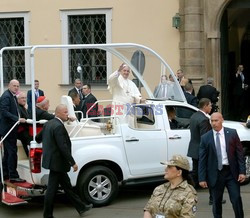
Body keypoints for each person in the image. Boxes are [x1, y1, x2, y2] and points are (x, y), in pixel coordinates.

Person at [35, 104, 93, 218]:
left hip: (54, 162)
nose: (68, 114)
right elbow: (63, 147)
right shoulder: (58, 126)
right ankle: (47, 215)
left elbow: (38, 138)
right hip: (58, 163)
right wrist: (73, 163)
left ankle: (81, 207)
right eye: (65, 112)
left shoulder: (48, 124)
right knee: (52, 190)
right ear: (58, 113)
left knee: (67, 187)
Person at [199, 112, 246, 218]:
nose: (214, 123)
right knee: (216, 201)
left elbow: (239, 154)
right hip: (215, 174)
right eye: (212, 121)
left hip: (231, 172)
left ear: (222, 120)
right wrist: (202, 178)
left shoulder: (232, 133)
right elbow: (202, 160)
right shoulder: (205, 138)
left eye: (216, 120)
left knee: (236, 199)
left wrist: (242, 172)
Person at [0, 79, 26, 183]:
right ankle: (13, 175)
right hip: (8, 129)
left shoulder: (12, 95)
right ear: (9, 86)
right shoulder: (6, 96)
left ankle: (5, 173)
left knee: (8, 153)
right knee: (11, 152)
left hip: (11, 129)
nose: (16, 87)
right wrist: (17, 119)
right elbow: (4, 111)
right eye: (14, 86)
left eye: (18, 86)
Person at [187, 98, 212, 188]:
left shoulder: (194, 116)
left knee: (195, 170)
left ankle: (192, 188)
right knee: (206, 170)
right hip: (201, 149)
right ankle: (211, 195)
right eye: (210, 106)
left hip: (194, 147)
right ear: (205, 106)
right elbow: (205, 137)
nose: (211, 108)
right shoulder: (204, 119)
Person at [17, 92, 31, 157]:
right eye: (22, 98)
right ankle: (29, 155)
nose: (24, 99)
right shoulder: (18, 108)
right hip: (21, 131)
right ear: (18, 99)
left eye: (25, 98)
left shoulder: (23, 107)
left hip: (26, 129)